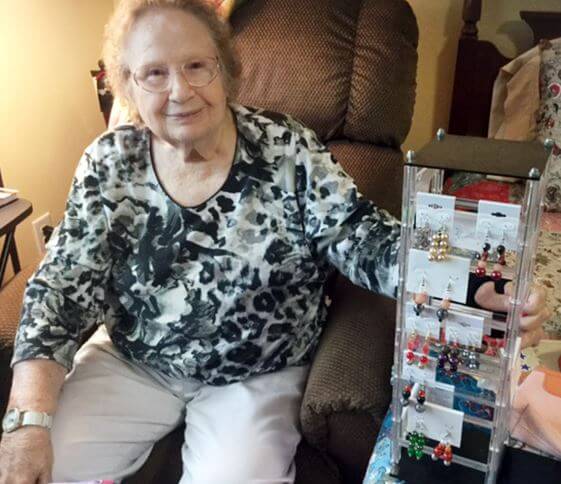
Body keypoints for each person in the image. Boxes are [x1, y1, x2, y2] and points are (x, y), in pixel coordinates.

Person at [0, 1, 549, 483]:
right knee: (42, 465)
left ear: (227, 71)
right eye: (154, 73)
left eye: (197, 66)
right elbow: (60, 292)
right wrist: (27, 421)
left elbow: (362, 238)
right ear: (125, 85)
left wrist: (474, 283)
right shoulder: (108, 161)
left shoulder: (286, 147)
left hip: (259, 372)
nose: (180, 91)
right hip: (135, 361)